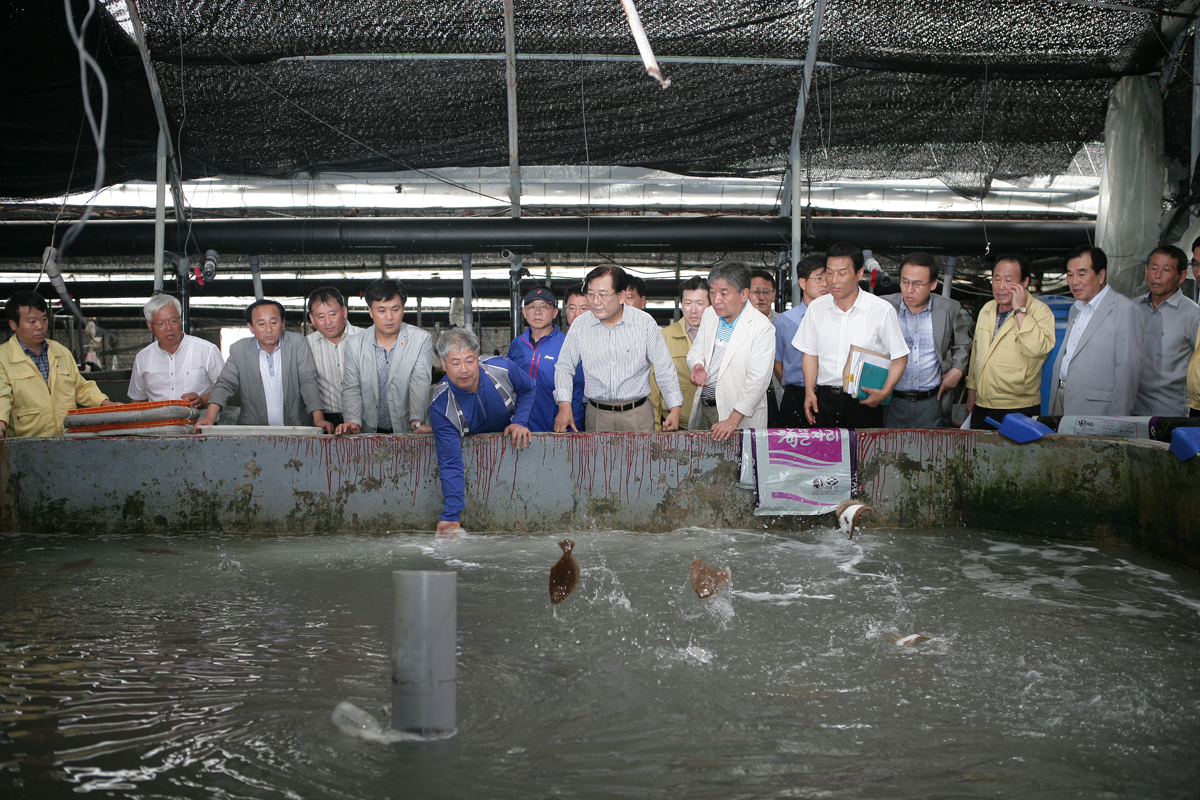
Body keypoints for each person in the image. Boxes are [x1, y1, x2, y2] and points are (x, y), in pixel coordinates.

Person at [429, 329, 535, 535]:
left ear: (478, 357)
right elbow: (450, 462)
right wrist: (451, 516)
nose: (464, 370)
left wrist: (520, 421)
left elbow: (529, 387)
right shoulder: (440, 405)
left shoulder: (502, 367)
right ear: (443, 363)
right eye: (455, 363)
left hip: (514, 448)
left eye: (470, 360)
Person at [553, 266, 683, 433]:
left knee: (640, 459)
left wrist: (675, 408)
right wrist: (564, 405)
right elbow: (564, 367)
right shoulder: (580, 325)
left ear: (621, 296)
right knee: (597, 460)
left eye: (603, 295)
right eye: (591, 295)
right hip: (597, 415)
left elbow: (663, 367)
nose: (595, 301)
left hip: (638, 414)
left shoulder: (644, 323)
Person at [794, 243, 909, 428]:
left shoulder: (881, 310)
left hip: (864, 400)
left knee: (863, 456)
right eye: (829, 273)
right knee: (825, 455)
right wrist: (809, 391)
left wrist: (885, 391)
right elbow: (810, 353)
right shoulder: (816, 308)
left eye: (842, 273)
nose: (833, 280)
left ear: (859, 274)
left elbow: (900, 356)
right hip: (825, 399)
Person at [197, 299, 330, 432]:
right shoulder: (240, 349)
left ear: (283, 323)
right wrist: (209, 418)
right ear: (251, 327)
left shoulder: (297, 343)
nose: (268, 329)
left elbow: (308, 381)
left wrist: (318, 419)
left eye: (273, 322)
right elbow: (224, 384)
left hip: (296, 428)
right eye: (261, 324)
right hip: (252, 432)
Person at [0, 291, 116, 438]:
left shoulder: (60, 351)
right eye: (31, 321)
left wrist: (107, 404)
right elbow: (1, 396)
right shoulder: (3, 358)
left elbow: (80, 387)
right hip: (25, 446)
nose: (40, 326)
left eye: (43, 319)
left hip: (66, 441)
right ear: (13, 324)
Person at [965, 253, 1056, 429]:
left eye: (1009, 280)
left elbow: (1037, 349)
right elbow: (977, 353)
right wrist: (971, 391)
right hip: (982, 404)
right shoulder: (987, 309)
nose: (1001, 287)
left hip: (1019, 406)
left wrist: (1020, 310)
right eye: (996, 279)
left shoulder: (1040, 311)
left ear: (1025, 282)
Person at [686, 262, 776, 440]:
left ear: (743, 294)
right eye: (712, 292)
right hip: (707, 408)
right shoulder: (710, 315)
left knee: (737, 466)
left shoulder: (761, 327)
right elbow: (697, 349)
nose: (716, 299)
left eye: (724, 293)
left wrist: (733, 420)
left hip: (739, 416)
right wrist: (697, 364)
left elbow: (758, 380)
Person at [1049, 245, 1142, 417]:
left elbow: (1128, 372)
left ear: (1101, 275)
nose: (1074, 281)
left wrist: (1117, 421)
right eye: (1070, 275)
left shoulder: (1125, 309)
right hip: (1062, 399)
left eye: (1082, 274)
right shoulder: (1075, 309)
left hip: (1096, 409)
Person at [882, 252, 971, 428]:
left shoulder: (948, 308)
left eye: (917, 284)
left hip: (931, 402)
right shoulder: (883, 306)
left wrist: (958, 370)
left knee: (932, 453)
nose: (909, 290)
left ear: (933, 284)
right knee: (890, 453)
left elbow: (963, 343)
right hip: (891, 400)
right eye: (905, 282)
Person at [336, 279, 432, 435]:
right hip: (368, 432)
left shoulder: (420, 340)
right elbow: (352, 388)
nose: (389, 317)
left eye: (395, 309)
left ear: (403, 308)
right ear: (370, 311)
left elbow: (420, 382)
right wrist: (353, 422)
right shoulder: (354, 345)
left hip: (408, 431)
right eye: (381, 310)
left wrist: (417, 422)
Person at [1132, 245, 1199, 417]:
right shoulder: (1131, 308)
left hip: (1170, 414)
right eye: (1154, 268)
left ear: (1182, 276)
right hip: (1130, 411)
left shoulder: (1193, 315)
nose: (1158, 275)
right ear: (1146, 270)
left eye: (1166, 270)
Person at [507, 286, 583, 432]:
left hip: (557, 426)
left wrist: (573, 428)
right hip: (522, 427)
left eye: (544, 306)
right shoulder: (516, 345)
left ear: (554, 313)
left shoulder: (566, 344)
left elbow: (578, 388)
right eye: (532, 306)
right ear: (524, 313)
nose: (537, 312)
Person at [127, 294, 224, 407]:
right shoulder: (143, 358)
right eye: (160, 324)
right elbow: (137, 400)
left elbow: (224, 389)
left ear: (181, 320)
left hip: (200, 423)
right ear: (149, 325)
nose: (168, 328)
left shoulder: (206, 350)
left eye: (173, 321)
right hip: (159, 424)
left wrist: (202, 400)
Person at [773, 255, 827, 427]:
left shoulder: (838, 319)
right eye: (819, 278)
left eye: (828, 278)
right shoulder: (784, 321)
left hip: (829, 395)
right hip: (795, 395)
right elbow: (777, 362)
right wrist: (794, 387)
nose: (824, 284)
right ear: (802, 283)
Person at [650, 277, 709, 430]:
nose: (693, 310)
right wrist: (655, 428)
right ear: (681, 304)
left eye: (700, 303)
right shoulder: (664, 337)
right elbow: (654, 388)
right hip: (676, 425)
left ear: (711, 305)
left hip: (714, 425)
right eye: (688, 303)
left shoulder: (722, 337)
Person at [306, 286, 362, 429]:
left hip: (364, 419)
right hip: (328, 422)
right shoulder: (306, 345)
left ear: (344, 312)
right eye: (321, 317)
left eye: (332, 314)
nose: (328, 322)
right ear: (312, 318)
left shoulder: (365, 338)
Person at [749, 268, 783, 425]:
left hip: (778, 395)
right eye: (755, 292)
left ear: (774, 294)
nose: (761, 297)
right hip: (750, 398)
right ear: (745, 293)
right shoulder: (737, 325)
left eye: (766, 292)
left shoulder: (784, 322)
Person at [561, 283, 588, 430]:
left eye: (583, 308)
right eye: (572, 308)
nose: (577, 314)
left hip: (597, 413)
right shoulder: (560, 344)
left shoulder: (606, 343)